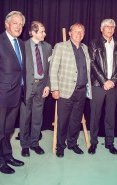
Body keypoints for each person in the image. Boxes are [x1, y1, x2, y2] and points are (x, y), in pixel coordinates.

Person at [0, 11, 26, 174]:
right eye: (15, 23)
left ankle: (8, 155)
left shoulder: (22, 43)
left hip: (17, 94)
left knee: (8, 129)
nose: (18, 26)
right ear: (7, 24)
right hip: (1, 95)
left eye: (21, 24)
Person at [50, 23, 92, 158]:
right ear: (70, 33)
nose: (79, 34)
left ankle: (72, 143)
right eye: (76, 31)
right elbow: (53, 69)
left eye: (81, 32)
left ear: (84, 34)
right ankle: (60, 146)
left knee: (76, 120)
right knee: (63, 120)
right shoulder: (60, 47)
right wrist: (54, 88)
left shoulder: (85, 48)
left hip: (81, 91)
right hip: (65, 90)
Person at [88, 19, 117, 155]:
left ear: (114, 29)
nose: (110, 29)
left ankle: (110, 143)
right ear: (101, 29)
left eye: (112, 27)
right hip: (98, 85)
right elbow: (92, 63)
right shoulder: (93, 43)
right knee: (95, 115)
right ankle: (93, 143)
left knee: (111, 116)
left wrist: (112, 81)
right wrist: (104, 81)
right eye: (107, 27)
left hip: (113, 86)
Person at [20, 21, 52, 157]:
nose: (45, 34)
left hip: (41, 86)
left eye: (44, 31)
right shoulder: (22, 46)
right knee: (25, 117)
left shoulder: (48, 47)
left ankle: (34, 143)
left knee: (38, 117)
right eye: (42, 31)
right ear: (33, 33)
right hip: (27, 86)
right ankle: (25, 145)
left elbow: (50, 69)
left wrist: (48, 85)